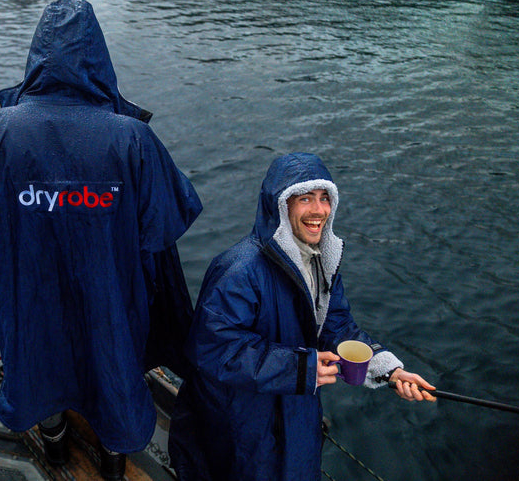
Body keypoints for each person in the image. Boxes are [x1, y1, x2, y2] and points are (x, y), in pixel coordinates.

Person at [0, 0, 201, 479]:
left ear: (36, 57)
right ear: (99, 57)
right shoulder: (133, 139)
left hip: (29, 299)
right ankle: (114, 461)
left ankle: (53, 444)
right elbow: (168, 221)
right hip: (111, 303)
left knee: (35, 363)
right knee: (115, 370)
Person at [167, 152, 434, 481]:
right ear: (280, 206)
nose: (319, 210)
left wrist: (387, 370)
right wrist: (298, 368)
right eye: (305, 198)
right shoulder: (238, 270)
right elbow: (213, 349)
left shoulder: (321, 260)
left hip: (297, 415)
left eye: (325, 198)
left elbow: (335, 325)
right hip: (243, 428)